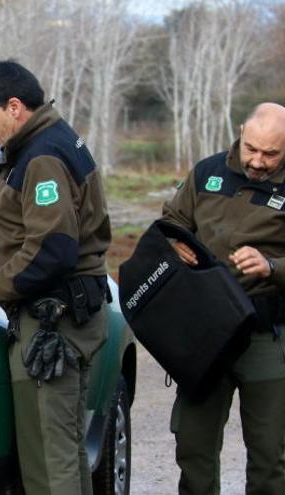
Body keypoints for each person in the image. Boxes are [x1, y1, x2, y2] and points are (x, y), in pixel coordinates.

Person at [0, 60, 111, 494]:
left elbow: (52, 250)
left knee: (49, 464)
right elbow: (28, 237)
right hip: (61, 313)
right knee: (65, 453)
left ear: (15, 107)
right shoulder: (41, 145)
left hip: (54, 323)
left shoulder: (43, 156)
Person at [161, 102, 285, 495]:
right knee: (194, 447)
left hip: (265, 334)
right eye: (251, 148)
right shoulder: (208, 171)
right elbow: (172, 220)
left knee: (268, 455)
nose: (258, 161)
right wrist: (174, 242)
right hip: (206, 333)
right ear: (241, 132)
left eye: (271, 154)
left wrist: (272, 265)